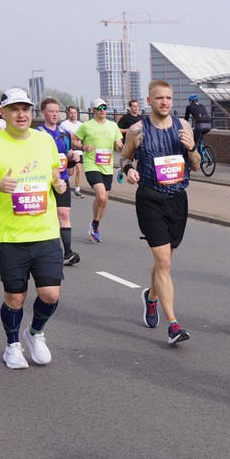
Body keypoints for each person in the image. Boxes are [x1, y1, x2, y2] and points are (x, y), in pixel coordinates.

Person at [0, 88, 69, 369]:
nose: (21, 114)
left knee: (51, 294)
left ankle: (35, 333)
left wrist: (58, 182)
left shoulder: (44, 141)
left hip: (46, 232)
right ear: (3, 113)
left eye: (25, 109)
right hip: (9, 236)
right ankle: (12, 345)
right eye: (14, 109)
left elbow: (54, 171)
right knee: (15, 297)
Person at [119, 79, 199, 345]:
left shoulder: (183, 126)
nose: (164, 102)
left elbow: (196, 165)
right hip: (150, 199)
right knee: (163, 262)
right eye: (159, 98)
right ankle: (173, 324)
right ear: (149, 101)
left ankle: (151, 297)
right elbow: (124, 157)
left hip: (177, 199)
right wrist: (128, 170)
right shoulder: (137, 130)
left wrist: (191, 147)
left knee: (165, 261)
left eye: (168, 98)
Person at [37, 98, 81, 265]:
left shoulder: (64, 133)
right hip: (43, 182)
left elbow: (66, 154)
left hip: (61, 179)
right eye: (51, 111)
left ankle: (68, 252)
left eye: (57, 111)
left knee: (63, 213)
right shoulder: (38, 134)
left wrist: (72, 157)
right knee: (44, 216)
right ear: (44, 113)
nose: (55, 114)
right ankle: (44, 251)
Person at [74, 98, 124, 243]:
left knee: (105, 200)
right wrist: (83, 147)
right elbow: (74, 139)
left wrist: (120, 146)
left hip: (107, 165)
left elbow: (118, 143)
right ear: (93, 110)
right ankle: (95, 224)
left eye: (104, 108)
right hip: (92, 164)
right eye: (99, 108)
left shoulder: (113, 125)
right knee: (101, 197)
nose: (102, 110)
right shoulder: (86, 126)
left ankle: (95, 225)